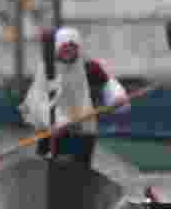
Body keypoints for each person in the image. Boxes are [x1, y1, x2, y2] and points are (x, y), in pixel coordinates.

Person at [19, 26, 129, 166]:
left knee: (79, 165)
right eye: (65, 47)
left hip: (83, 132)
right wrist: (58, 122)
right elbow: (38, 101)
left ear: (78, 48)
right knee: (44, 162)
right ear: (58, 48)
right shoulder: (47, 69)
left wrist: (116, 98)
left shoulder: (90, 67)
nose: (69, 51)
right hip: (52, 131)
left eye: (73, 47)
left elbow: (110, 84)